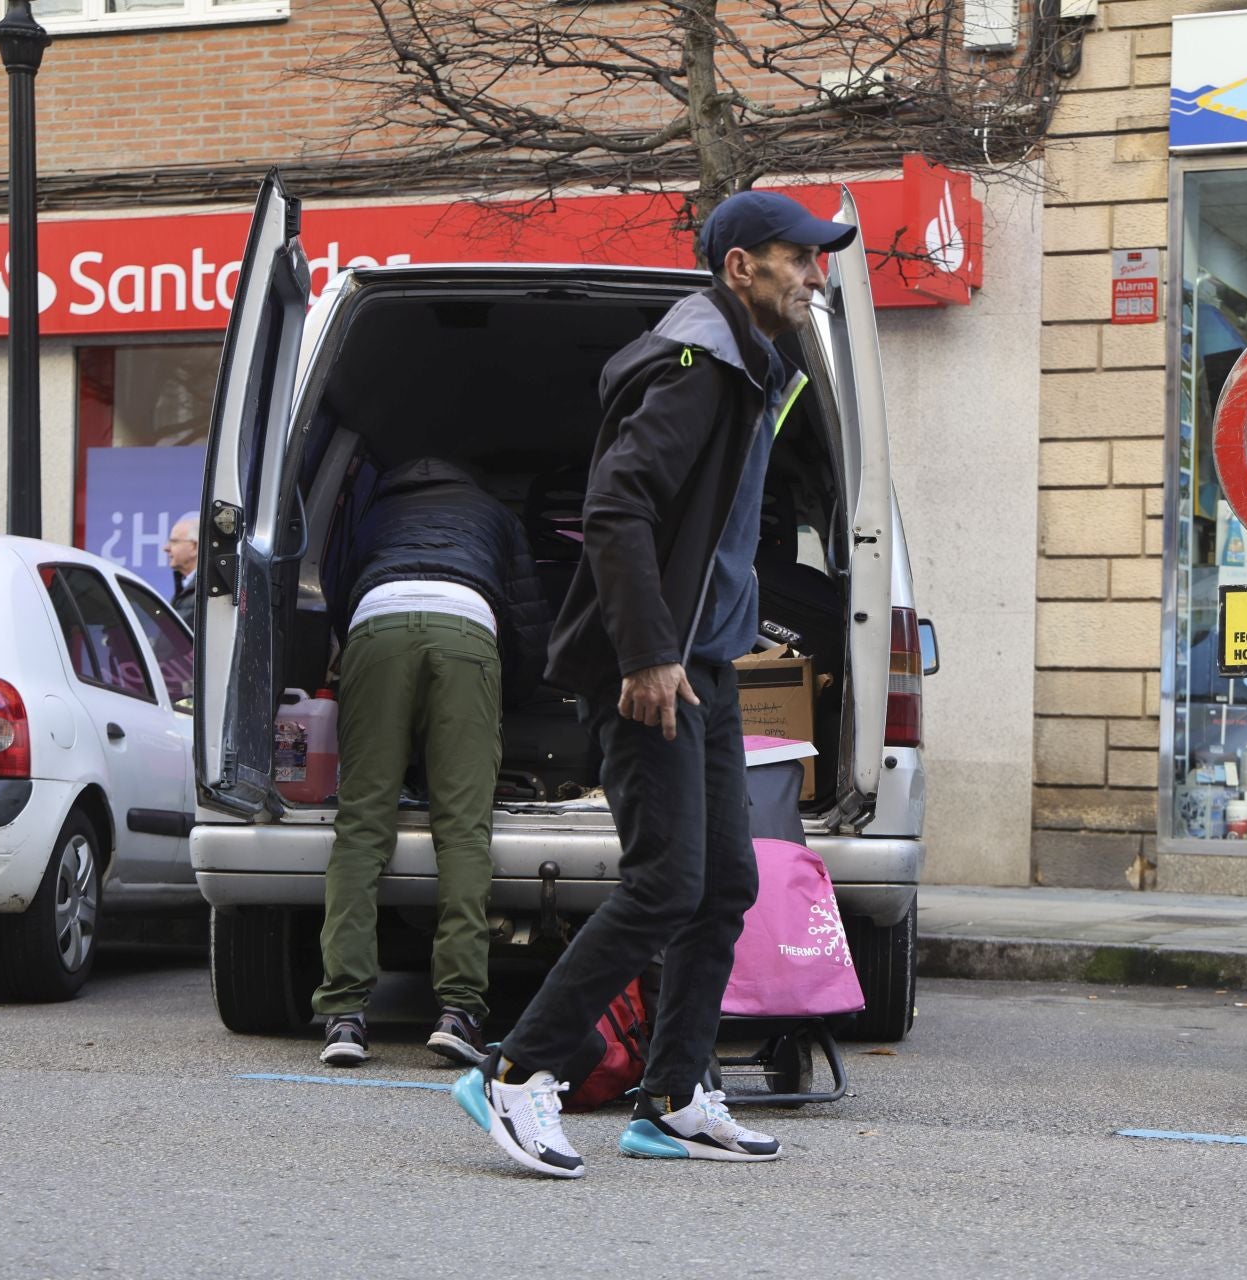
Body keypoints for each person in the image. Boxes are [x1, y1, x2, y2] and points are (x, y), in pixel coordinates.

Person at [451, 190, 854, 1178]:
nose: (816, 274)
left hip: (704, 663)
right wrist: (646, 653)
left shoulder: (751, 367)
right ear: (739, 268)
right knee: (669, 879)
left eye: (817, 257)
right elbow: (616, 505)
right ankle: (516, 1071)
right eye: (798, 257)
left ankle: (675, 1096)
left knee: (726, 881)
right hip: (654, 672)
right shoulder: (697, 370)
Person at [314, 457, 544, 1069]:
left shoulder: (374, 511)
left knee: (362, 824)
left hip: (376, 625)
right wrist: (512, 696)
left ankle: (343, 1015)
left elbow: (335, 587)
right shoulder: (494, 514)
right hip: (466, 628)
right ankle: (458, 1010)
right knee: (462, 828)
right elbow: (524, 618)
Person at [166, 517, 199, 626]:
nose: (166, 548)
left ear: (194, 547)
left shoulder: (205, 593)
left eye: (174, 542)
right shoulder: (183, 588)